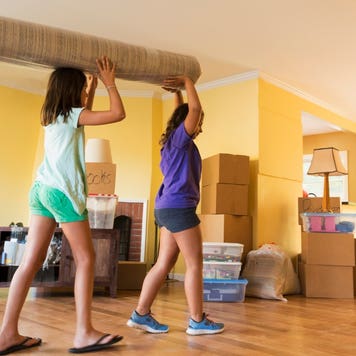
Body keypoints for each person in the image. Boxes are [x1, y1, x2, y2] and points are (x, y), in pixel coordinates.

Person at [0, 56, 126, 355]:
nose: (85, 95)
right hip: (62, 192)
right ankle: (84, 333)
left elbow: (85, 113)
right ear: (73, 92)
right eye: (82, 89)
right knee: (85, 258)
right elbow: (118, 113)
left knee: (31, 260)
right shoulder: (72, 115)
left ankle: (6, 334)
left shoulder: (54, 116)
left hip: (40, 189)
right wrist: (109, 83)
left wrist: (91, 89)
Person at [127, 75, 224, 336]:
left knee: (163, 263)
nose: (200, 125)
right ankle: (197, 320)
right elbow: (194, 109)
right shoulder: (181, 141)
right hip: (179, 208)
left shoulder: (173, 142)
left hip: (166, 208)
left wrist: (176, 92)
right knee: (195, 264)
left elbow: (184, 111)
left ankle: (141, 314)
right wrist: (187, 81)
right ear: (186, 123)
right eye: (198, 123)